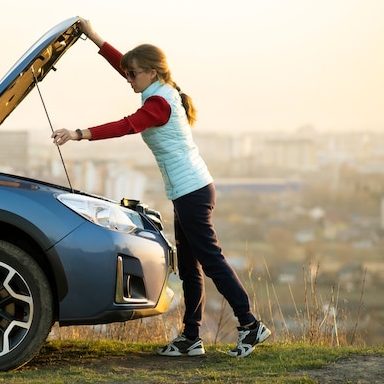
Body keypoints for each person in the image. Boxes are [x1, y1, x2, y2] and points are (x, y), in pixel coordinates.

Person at [52, 18, 271, 358]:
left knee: (210, 262)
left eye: (133, 74)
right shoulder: (162, 90)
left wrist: (79, 134)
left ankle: (250, 325)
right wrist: (93, 36)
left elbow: (128, 126)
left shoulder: (159, 104)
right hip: (188, 191)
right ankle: (191, 338)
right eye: (127, 73)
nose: (128, 79)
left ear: (151, 73)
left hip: (192, 193)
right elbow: (124, 63)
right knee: (188, 269)